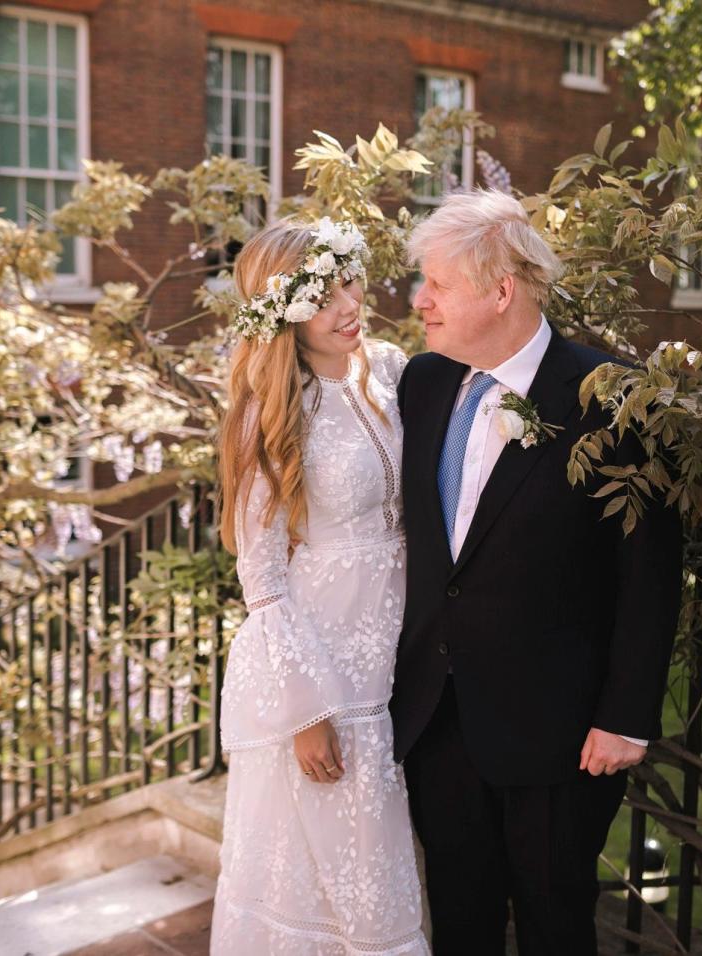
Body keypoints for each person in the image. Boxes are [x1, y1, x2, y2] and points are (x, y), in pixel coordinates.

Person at [390, 189, 684, 955]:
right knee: (460, 922)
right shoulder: (422, 384)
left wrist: (626, 716)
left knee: (556, 927)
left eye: (436, 285)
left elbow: (649, 573)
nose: (420, 302)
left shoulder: (614, 400)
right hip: (437, 720)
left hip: (560, 735)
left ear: (501, 291)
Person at [210, 218, 428, 955]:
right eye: (322, 293)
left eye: (349, 279)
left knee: (394, 853)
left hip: (407, 642)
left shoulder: (392, 369)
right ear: (283, 312)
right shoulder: (271, 413)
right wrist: (306, 710)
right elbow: (263, 578)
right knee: (341, 869)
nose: (347, 303)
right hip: (326, 665)